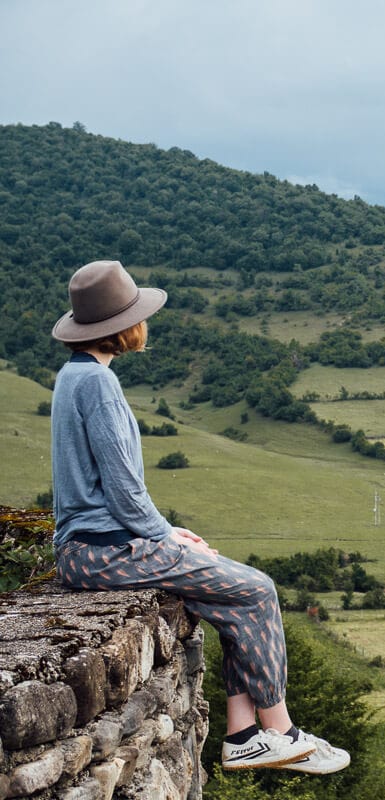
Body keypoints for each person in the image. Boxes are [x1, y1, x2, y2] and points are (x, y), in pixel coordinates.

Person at [49, 260, 349, 774]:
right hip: (101, 552)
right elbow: (122, 490)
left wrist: (169, 533)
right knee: (257, 590)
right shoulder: (97, 385)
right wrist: (167, 536)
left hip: (95, 547)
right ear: (124, 327)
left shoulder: (75, 377)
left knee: (235, 601)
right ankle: (277, 727)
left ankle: (245, 735)